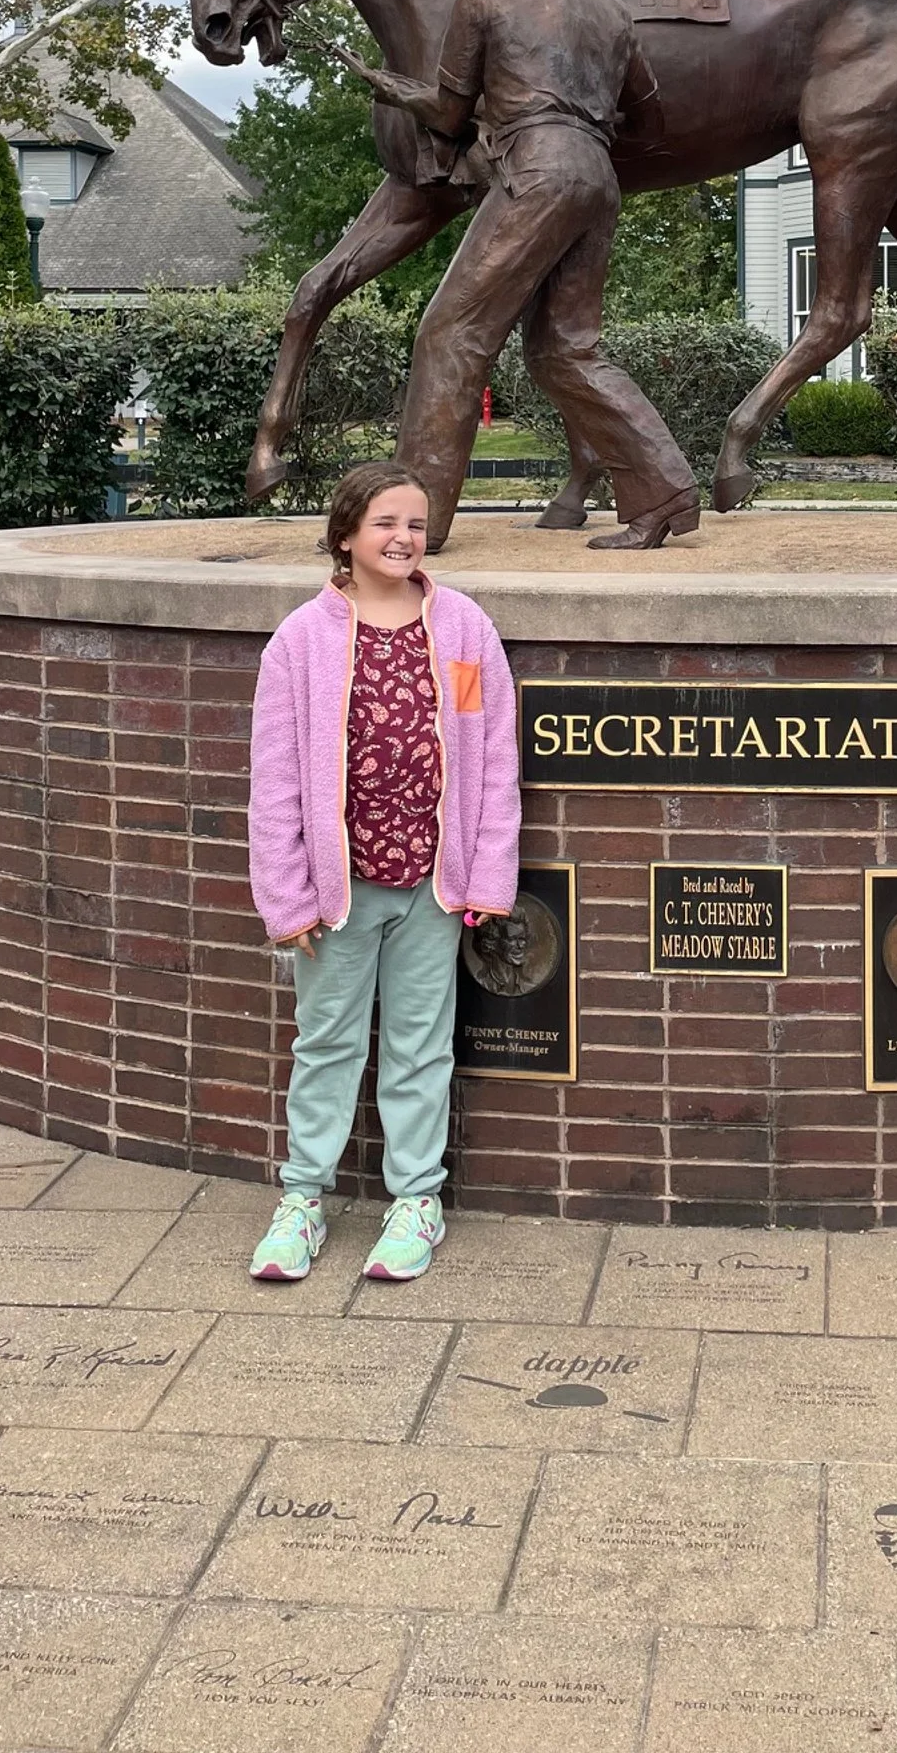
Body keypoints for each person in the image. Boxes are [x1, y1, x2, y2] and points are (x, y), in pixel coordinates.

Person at [352, 0, 700, 553]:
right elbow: (651, 118)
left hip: (535, 173)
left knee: (451, 335)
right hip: (597, 176)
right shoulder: (608, 6)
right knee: (564, 349)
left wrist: (399, 94)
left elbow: (450, 113)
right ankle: (664, 493)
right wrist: (581, 124)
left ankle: (412, 527)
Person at [245, 459, 519, 1286]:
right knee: (327, 1043)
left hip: (434, 888)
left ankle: (416, 1201)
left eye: (416, 524)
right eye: (386, 523)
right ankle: (302, 1199)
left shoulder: (463, 629)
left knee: (419, 1047)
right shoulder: (302, 640)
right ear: (345, 536)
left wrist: (487, 875)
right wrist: (287, 897)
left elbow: (489, 755)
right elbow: (274, 780)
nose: (404, 538)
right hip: (338, 895)